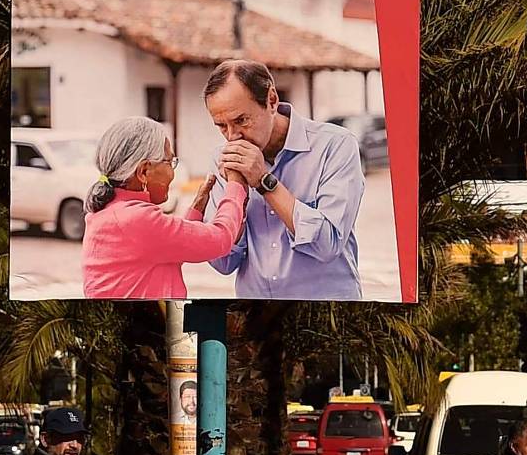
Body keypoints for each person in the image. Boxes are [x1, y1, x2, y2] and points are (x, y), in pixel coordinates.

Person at [199, 59, 366, 300]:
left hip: (326, 312)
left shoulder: (335, 146)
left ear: (272, 100)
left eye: (241, 120)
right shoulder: (223, 158)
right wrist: (236, 196)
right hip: (257, 317)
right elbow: (223, 263)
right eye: (221, 126)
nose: (233, 136)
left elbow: (328, 244)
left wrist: (264, 181)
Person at [79, 116, 250, 300]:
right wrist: (235, 186)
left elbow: (170, 245)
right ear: (144, 171)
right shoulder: (137, 219)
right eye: (169, 162)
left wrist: (198, 206)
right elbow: (220, 240)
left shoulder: (108, 213)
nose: (172, 172)